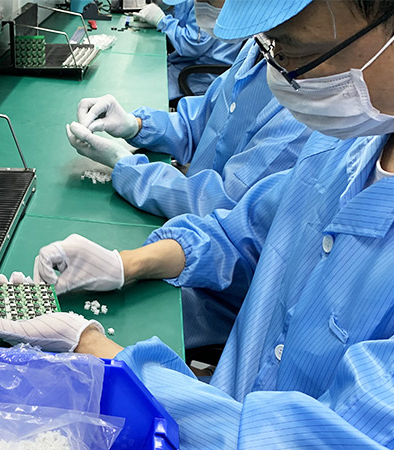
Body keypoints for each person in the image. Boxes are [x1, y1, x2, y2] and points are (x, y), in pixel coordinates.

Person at [0, 0, 394, 447]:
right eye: (273, 50)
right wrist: (126, 263)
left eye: (303, 52)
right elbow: (244, 234)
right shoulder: (347, 147)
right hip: (211, 399)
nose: (283, 76)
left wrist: (95, 349)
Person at [68, 1, 312, 350]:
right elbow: (200, 121)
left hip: (218, 291)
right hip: (193, 242)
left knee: (93, 321)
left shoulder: (302, 104)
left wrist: (126, 165)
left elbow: (221, 205)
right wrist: (136, 125)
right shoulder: (258, 49)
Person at [133, 0, 239, 101]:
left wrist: (162, 21)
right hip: (187, 63)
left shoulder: (208, 3)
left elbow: (193, 45)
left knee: (141, 91)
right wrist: (164, 11)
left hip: (200, 74)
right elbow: (182, 15)